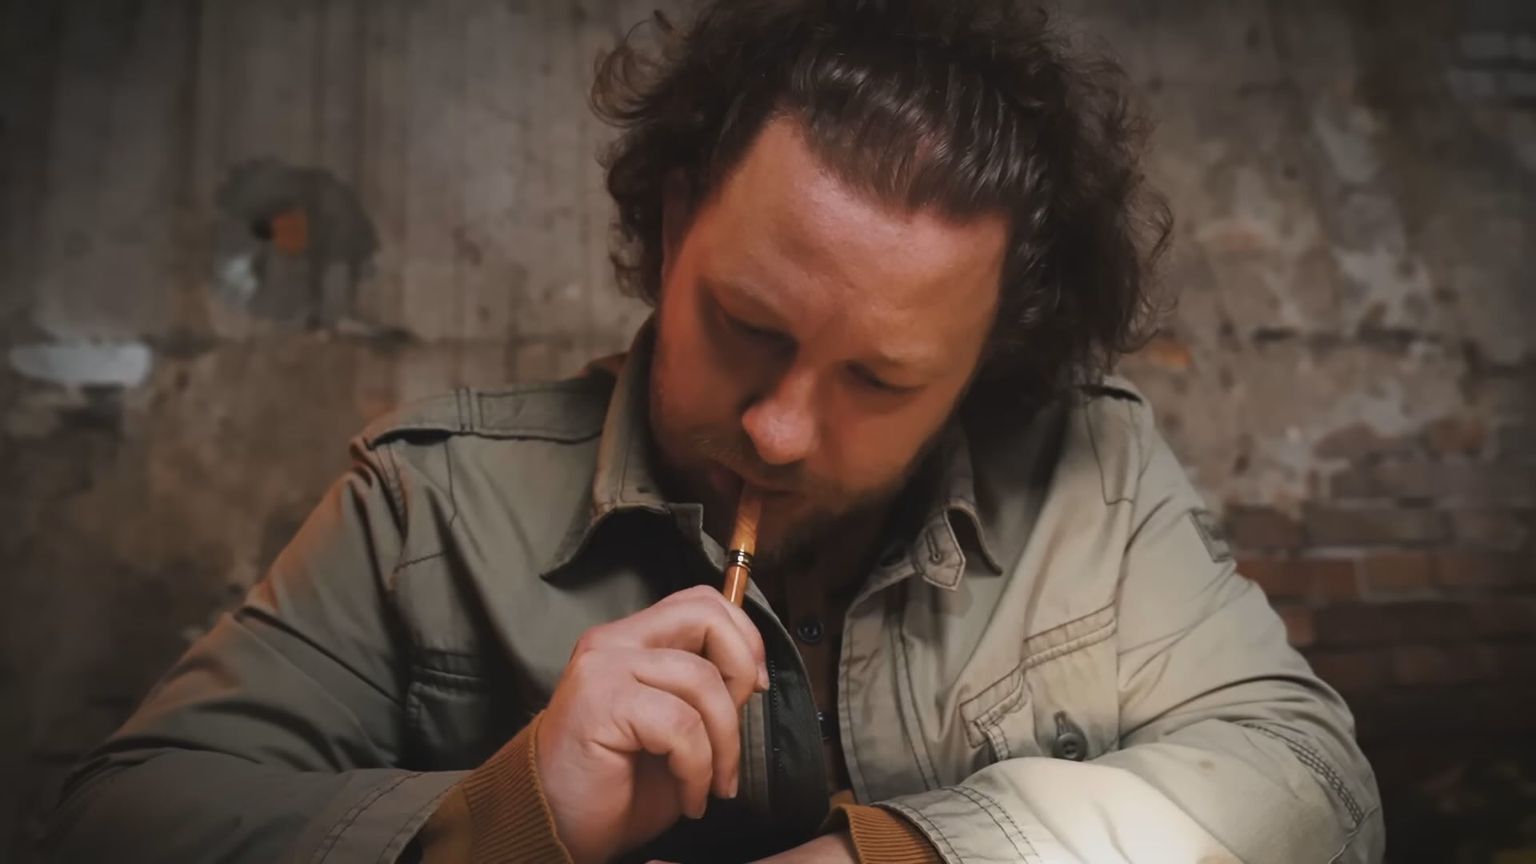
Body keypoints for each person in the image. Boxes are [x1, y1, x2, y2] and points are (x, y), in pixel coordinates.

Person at [46, 2, 1384, 862]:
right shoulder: (426, 506)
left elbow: (1312, 780)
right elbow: (114, 821)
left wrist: (899, 858)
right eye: (748, 325)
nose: (781, 431)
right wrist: (514, 811)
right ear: (675, 220)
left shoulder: (1099, 475)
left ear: (990, 361)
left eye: (881, 380)